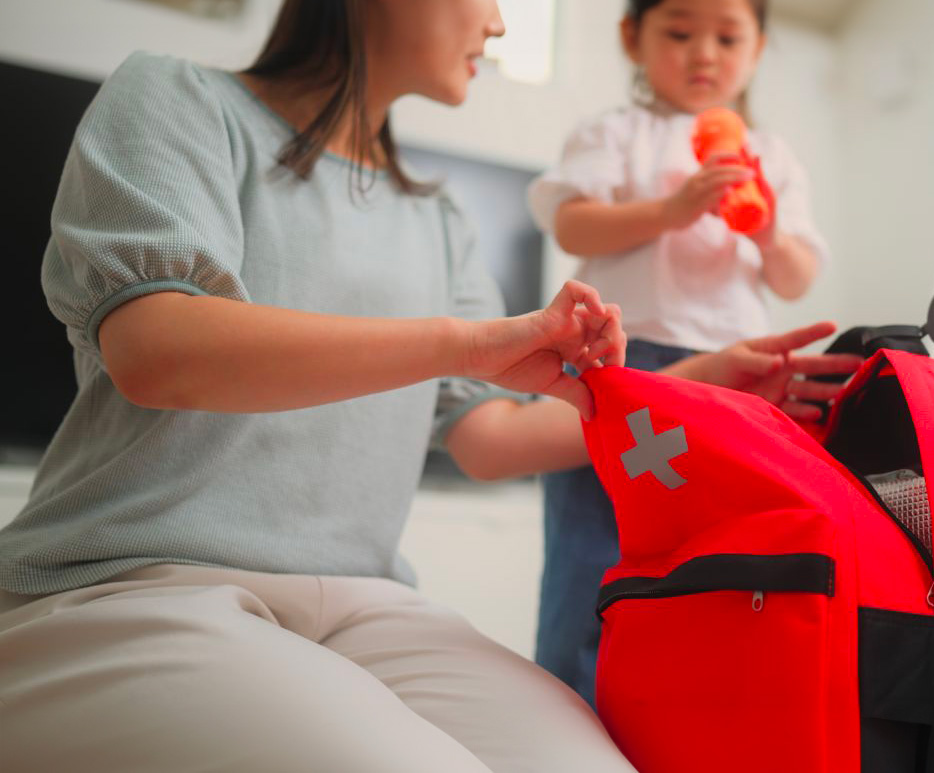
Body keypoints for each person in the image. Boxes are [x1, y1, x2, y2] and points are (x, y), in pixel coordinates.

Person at [0, 1, 857, 770]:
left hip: (370, 604)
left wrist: (701, 383)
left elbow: (489, 442)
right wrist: (466, 343)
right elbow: (159, 352)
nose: (498, 24)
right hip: (134, 579)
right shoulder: (174, 99)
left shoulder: (439, 220)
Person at [527, 0, 835, 706]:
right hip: (621, 367)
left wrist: (767, 235)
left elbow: (795, 277)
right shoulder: (616, 131)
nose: (704, 54)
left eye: (728, 38)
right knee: (593, 547)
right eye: (678, 31)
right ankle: (562, 709)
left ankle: (680, 713)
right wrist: (670, 211)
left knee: (711, 549)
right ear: (631, 37)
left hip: (728, 374)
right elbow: (572, 222)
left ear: (757, 51)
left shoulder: (772, 156)